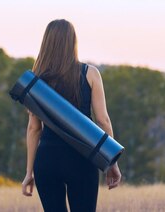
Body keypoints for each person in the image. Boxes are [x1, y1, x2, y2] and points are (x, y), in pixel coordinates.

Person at [20, 19, 122, 211]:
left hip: (47, 160)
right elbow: (103, 120)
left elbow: (34, 128)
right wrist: (111, 162)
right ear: (73, 42)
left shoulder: (36, 81)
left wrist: (29, 172)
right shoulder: (90, 73)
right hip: (83, 159)